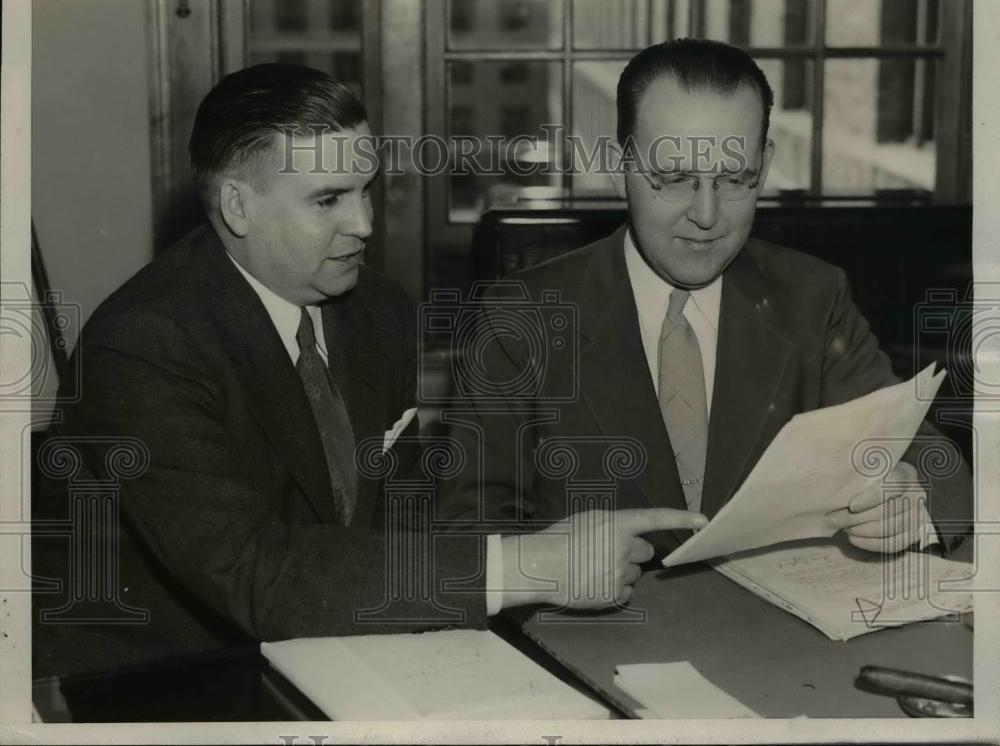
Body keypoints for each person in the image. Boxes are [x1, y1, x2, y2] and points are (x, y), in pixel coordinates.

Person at [32, 63, 704, 682]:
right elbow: (257, 574)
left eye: (366, 190)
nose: (364, 223)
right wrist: (531, 567)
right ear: (237, 206)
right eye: (328, 200)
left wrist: (546, 541)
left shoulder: (377, 309)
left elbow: (398, 516)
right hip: (162, 678)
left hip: (331, 644)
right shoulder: (143, 345)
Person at [437, 38, 972, 562]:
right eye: (674, 179)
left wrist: (913, 498)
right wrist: (547, 562)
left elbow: (935, 458)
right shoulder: (517, 318)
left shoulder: (813, 296)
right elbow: (463, 530)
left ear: (764, 165)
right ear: (623, 163)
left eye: (735, 179)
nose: (708, 215)